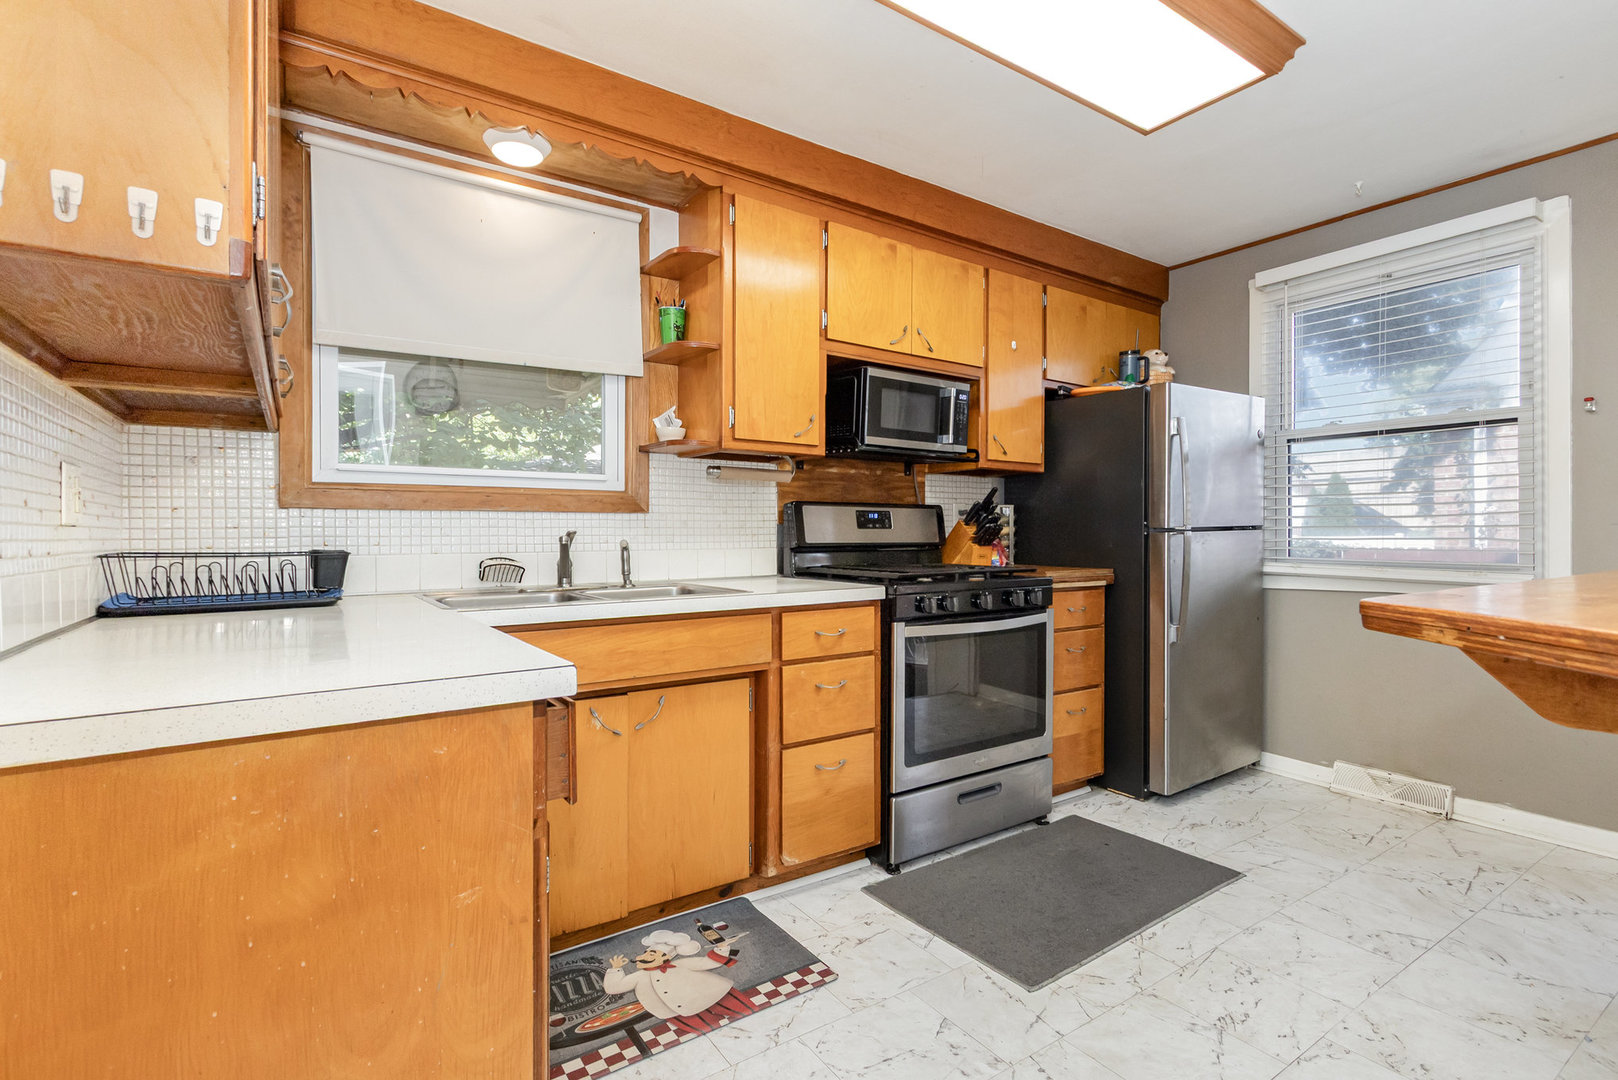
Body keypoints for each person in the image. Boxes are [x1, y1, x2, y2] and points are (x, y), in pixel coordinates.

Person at [602, 928, 756, 1036]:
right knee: (708, 1032)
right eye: (646, 953)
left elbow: (708, 962)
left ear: (665, 958)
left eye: (652, 953)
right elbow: (614, 987)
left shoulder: (681, 964)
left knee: (749, 1012)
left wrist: (722, 947)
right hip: (675, 1011)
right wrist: (615, 969)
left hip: (715, 995)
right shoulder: (638, 976)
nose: (643, 957)